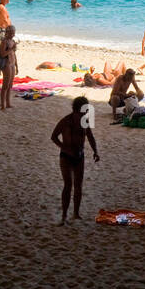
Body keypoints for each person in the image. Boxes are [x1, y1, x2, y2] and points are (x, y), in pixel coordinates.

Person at [51, 96, 99, 224]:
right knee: (68, 185)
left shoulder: (85, 121)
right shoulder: (66, 121)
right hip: (66, 157)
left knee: (78, 186)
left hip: (79, 155)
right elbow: (54, 136)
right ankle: (64, 214)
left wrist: (95, 151)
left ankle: (76, 213)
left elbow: (90, 137)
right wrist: (64, 148)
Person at [0, 25, 19, 110]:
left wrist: (17, 65)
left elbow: (14, 54)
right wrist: (11, 49)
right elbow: (2, 54)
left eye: (14, 32)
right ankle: (3, 105)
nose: (13, 34)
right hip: (6, 64)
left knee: (10, 85)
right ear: (7, 33)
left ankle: (8, 103)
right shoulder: (4, 42)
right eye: (12, 32)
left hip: (12, 63)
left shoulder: (13, 41)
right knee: (5, 85)